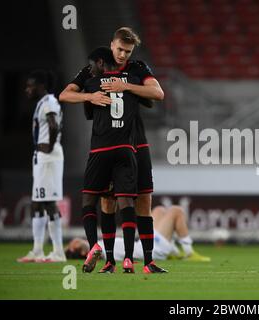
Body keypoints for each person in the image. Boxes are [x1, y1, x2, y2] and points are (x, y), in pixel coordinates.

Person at [59, 27, 165, 273]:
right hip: (111, 144)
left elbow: (157, 93)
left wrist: (126, 86)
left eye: (127, 51)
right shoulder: (94, 69)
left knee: (143, 199)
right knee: (107, 201)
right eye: (119, 49)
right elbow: (65, 94)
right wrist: (89, 97)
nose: (122, 55)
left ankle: (148, 261)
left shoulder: (137, 68)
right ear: (111, 44)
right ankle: (110, 260)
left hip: (137, 142)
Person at [77, 47, 145, 274]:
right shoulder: (133, 81)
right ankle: (127, 259)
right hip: (126, 149)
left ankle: (95, 245)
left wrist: (88, 95)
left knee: (90, 200)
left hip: (100, 149)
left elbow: (75, 102)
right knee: (126, 202)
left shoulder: (92, 84)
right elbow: (153, 100)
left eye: (92, 65)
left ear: (100, 62)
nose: (90, 70)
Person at [65, 205, 211, 271]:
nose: (75, 240)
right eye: (74, 244)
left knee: (159, 210)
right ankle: (189, 252)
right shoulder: (98, 251)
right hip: (154, 249)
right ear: (84, 253)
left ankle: (173, 252)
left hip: (143, 243)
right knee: (176, 211)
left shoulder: (99, 246)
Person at [18, 70, 66, 263]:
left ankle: (58, 251)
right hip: (42, 157)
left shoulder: (49, 102)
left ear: (41, 86)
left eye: (31, 85)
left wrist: (50, 145)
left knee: (48, 203)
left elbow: (54, 125)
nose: (27, 89)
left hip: (48, 158)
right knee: (37, 203)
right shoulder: (43, 103)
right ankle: (37, 250)